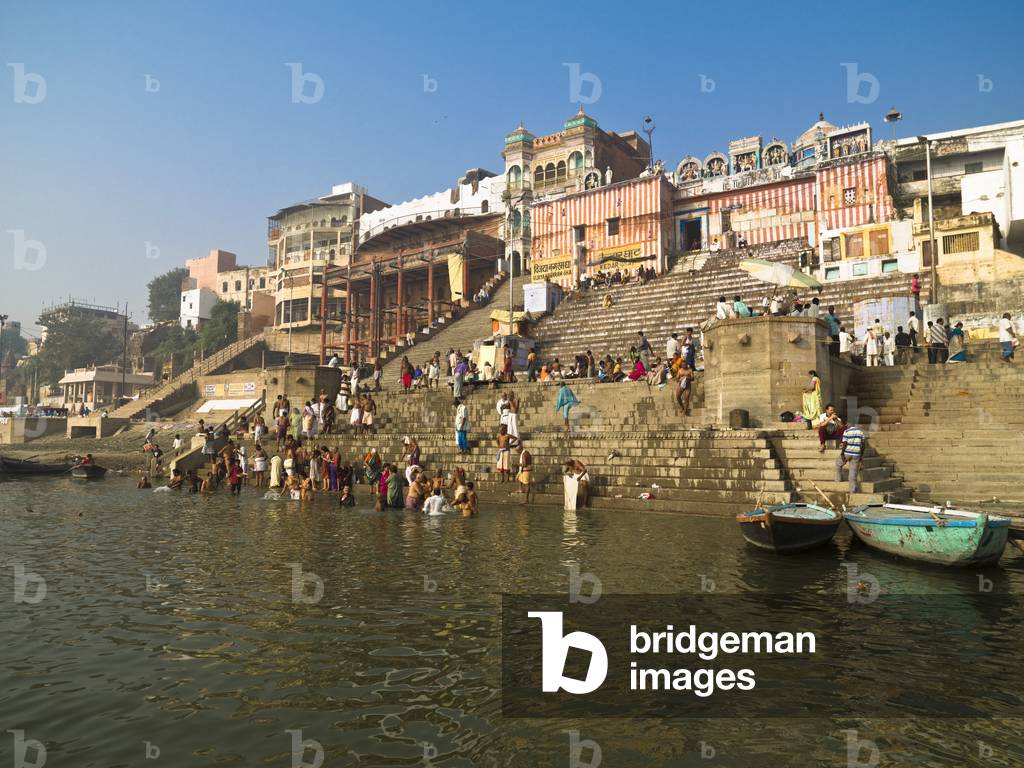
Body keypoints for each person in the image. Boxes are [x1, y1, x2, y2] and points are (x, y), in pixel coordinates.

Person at [836, 416, 867, 494]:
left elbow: (845, 443)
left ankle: (838, 479)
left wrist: (842, 453)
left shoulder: (846, 431)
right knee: (853, 474)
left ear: (847, 424)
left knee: (838, 464)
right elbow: (863, 445)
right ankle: (852, 490)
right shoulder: (860, 432)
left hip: (847, 453)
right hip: (857, 454)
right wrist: (861, 456)